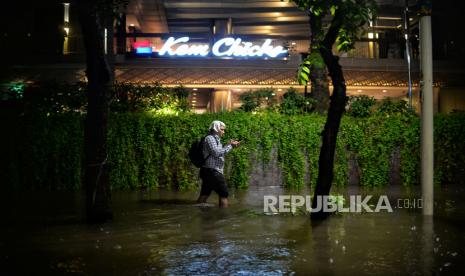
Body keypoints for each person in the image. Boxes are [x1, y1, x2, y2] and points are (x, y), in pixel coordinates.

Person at [197, 120, 240, 207]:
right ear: (216, 129)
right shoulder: (210, 138)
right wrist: (230, 146)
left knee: (205, 194)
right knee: (224, 193)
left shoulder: (215, 139)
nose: (223, 131)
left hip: (209, 171)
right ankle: (223, 216)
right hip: (212, 172)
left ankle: (197, 212)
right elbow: (216, 153)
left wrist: (228, 145)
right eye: (222, 129)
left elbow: (218, 152)